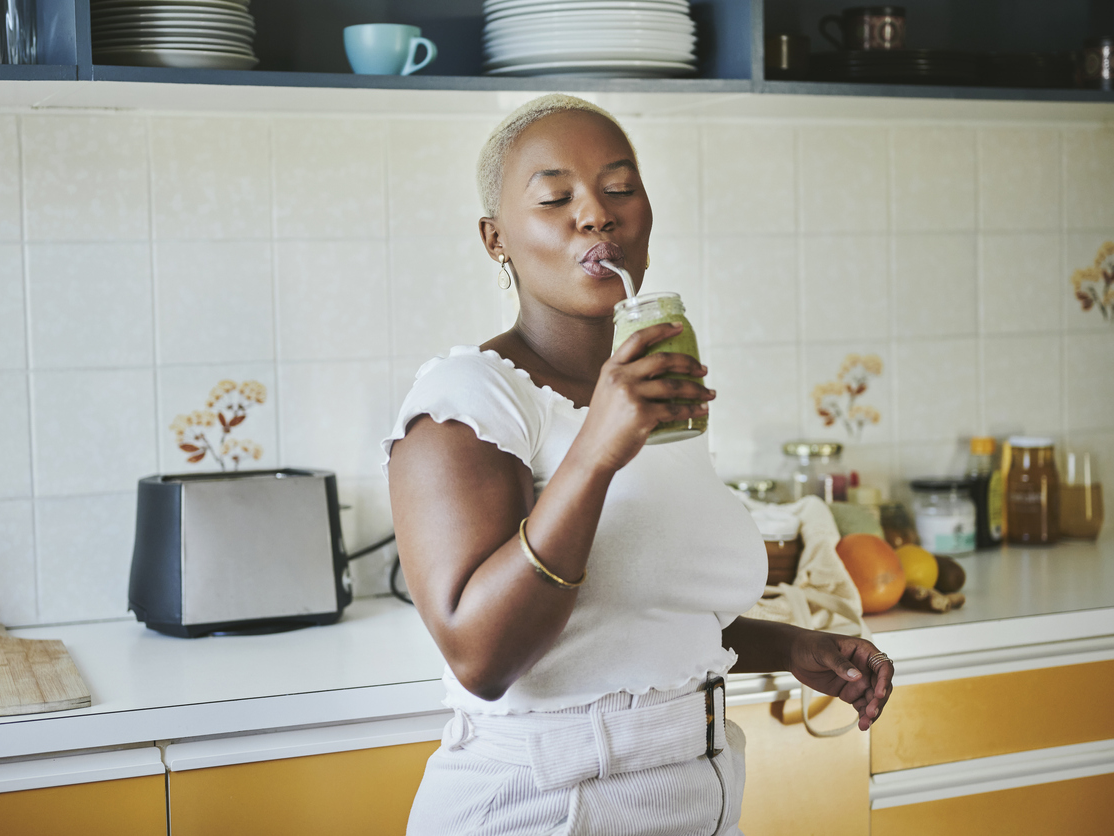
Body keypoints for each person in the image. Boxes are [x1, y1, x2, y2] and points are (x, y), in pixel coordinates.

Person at [382, 94, 894, 836]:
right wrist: (596, 451)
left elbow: (634, 618)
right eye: (556, 197)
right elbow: (481, 657)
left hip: (698, 798)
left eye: (620, 188)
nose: (596, 215)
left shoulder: (652, 394)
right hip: (543, 811)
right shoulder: (467, 399)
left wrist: (794, 646)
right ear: (496, 239)